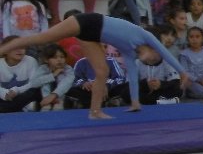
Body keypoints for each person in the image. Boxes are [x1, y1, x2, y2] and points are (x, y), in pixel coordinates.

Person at [0, 13, 187, 118]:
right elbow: (165, 52)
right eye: (150, 54)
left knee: (102, 71)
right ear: (151, 47)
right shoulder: (145, 35)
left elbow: (132, 76)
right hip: (87, 22)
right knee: (42, 38)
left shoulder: (130, 53)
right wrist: (182, 72)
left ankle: (95, 111)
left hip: (91, 36)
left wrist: (136, 102)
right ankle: (4, 48)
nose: (148, 57)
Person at [0, 37, 41, 113]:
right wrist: (5, 94)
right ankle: (22, 107)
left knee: (35, 90)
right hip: (5, 96)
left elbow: (34, 83)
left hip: (23, 94)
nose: (19, 50)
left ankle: (7, 108)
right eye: (15, 47)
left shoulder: (31, 61)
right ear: (5, 51)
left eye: (22, 47)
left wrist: (17, 90)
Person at [32, 43, 75, 110]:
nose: (59, 60)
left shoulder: (68, 69)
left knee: (58, 108)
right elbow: (34, 83)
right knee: (45, 108)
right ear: (46, 60)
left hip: (61, 98)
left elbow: (66, 83)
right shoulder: (43, 69)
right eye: (55, 57)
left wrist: (54, 95)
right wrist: (53, 75)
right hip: (44, 98)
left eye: (62, 57)